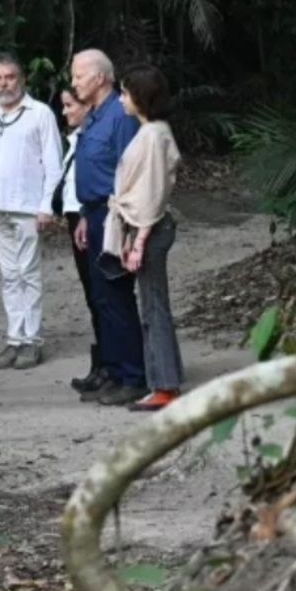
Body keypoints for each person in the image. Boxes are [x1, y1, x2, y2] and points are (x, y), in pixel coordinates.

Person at [0, 54, 64, 371]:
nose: (5, 83)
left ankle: (31, 341)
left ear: (22, 79)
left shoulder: (40, 114)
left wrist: (47, 205)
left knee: (28, 273)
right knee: (9, 276)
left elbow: (53, 163)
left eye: (10, 77)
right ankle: (14, 338)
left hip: (27, 208)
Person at [103, 64, 185, 411]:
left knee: (153, 308)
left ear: (139, 98)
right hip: (145, 226)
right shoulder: (154, 131)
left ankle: (164, 386)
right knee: (153, 306)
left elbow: (151, 194)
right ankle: (166, 379)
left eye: (124, 93)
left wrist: (137, 242)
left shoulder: (153, 135)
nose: (121, 99)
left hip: (149, 228)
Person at [69, 49, 146, 404]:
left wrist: (129, 230)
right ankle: (112, 371)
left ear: (99, 78)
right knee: (101, 298)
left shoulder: (120, 116)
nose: (74, 83)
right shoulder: (95, 116)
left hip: (115, 217)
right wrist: (86, 215)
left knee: (117, 297)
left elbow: (130, 174)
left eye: (78, 76)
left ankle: (133, 375)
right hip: (95, 214)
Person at [56, 89, 103, 392]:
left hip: (89, 214)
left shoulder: (93, 139)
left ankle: (111, 363)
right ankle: (102, 361)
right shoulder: (75, 140)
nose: (65, 112)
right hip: (76, 216)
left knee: (102, 293)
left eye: (70, 105)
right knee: (92, 294)